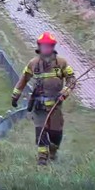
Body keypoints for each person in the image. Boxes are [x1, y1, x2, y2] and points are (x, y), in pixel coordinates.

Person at [11, 32, 75, 165]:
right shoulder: (33, 63)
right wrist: (15, 96)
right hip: (39, 106)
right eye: (44, 46)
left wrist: (65, 92)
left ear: (53, 47)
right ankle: (42, 159)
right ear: (39, 47)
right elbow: (23, 80)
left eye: (49, 46)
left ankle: (53, 150)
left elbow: (72, 80)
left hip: (55, 106)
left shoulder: (61, 63)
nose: (46, 49)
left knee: (55, 134)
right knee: (40, 131)